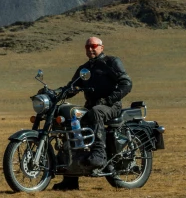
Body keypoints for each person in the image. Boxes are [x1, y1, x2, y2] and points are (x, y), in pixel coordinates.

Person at [53, 36, 132, 167]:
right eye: (87, 47)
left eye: (93, 46)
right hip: (90, 106)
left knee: (96, 112)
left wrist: (108, 100)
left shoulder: (111, 62)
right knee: (71, 118)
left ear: (101, 47)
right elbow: (72, 88)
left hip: (111, 105)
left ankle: (99, 153)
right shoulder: (84, 68)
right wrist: (53, 93)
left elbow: (126, 83)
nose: (90, 49)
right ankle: (70, 175)